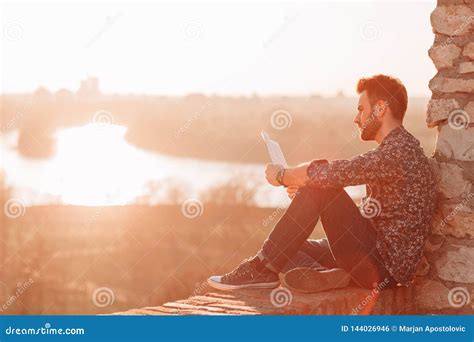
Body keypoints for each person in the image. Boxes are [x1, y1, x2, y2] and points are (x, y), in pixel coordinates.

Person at [207, 74, 437, 293]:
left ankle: (261, 270)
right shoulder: (404, 149)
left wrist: (283, 176)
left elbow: (334, 172)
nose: (356, 119)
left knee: (320, 189)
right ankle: (327, 275)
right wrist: (306, 195)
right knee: (288, 248)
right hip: (374, 259)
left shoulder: (398, 151)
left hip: (380, 268)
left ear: (380, 108)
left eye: (360, 109)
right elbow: (374, 215)